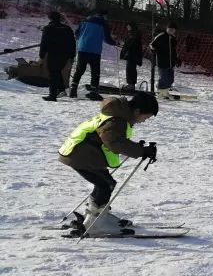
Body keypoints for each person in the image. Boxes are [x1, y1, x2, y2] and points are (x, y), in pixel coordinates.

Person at [58, 92, 159, 236]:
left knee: (105, 183)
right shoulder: (117, 120)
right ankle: (96, 224)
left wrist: (140, 149)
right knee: (105, 185)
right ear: (137, 111)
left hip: (82, 154)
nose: (144, 121)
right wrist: (141, 151)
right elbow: (114, 143)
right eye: (146, 117)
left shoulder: (118, 114)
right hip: (80, 155)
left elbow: (116, 140)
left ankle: (97, 216)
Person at [69, 9, 115, 97]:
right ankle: (93, 92)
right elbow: (107, 39)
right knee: (95, 72)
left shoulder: (85, 21)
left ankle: (73, 90)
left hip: (83, 48)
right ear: (104, 16)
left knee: (79, 70)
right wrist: (114, 42)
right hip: (95, 50)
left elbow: (77, 33)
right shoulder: (104, 24)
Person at [39, 10, 76, 102]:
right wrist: (72, 56)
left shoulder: (48, 28)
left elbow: (44, 43)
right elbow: (72, 43)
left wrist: (42, 55)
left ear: (50, 18)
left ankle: (52, 95)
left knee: (53, 73)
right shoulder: (67, 28)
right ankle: (61, 89)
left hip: (53, 53)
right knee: (57, 71)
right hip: (65, 54)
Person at [150, 22, 180, 98]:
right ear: (166, 29)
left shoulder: (173, 38)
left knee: (170, 79)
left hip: (171, 63)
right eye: (169, 29)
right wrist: (156, 51)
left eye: (172, 30)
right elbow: (152, 45)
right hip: (162, 62)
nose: (171, 31)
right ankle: (160, 92)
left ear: (175, 30)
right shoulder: (161, 36)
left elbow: (174, 51)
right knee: (163, 78)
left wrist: (177, 60)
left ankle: (166, 92)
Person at [119, 21, 143, 91]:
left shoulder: (134, 34)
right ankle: (131, 84)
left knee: (130, 69)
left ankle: (131, 85)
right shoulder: (133, 33)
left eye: (128, 26)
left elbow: (131, 43)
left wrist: (124, 45)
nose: (127, 27)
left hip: (133, 55)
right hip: (132, 54)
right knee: (130, 69)